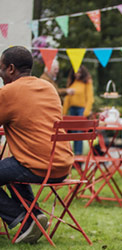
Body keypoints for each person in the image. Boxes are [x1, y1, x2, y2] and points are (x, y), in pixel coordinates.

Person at [0, 46, 74, 243]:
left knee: (13, 166)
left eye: (1, 68)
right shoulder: (48, 87)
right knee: (11, 167)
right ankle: (35, 216)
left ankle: (22, 220)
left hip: (37, 166)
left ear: (11, 69)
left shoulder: (8, 92)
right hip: (62, 164)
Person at [62, 65, 94, 155]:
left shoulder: (87, 82)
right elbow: (67, 99)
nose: (77, 74)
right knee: (72, 133)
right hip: (72, 110)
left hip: (81, 110)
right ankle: (72, 155)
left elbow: (90, 97)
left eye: (79, 72)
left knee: (79, 132)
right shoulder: (72, 82)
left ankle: (78, 154)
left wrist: (86, 112)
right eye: (76, 72)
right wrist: (63, 113)